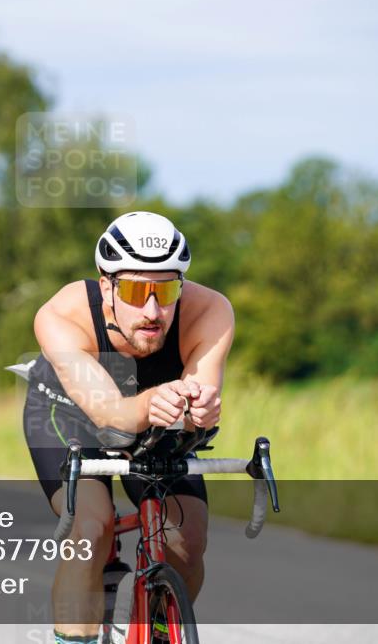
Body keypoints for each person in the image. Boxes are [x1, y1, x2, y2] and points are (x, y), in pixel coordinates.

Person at [22, 211, 235, 644]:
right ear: (107, 285)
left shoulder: (210, 310)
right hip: (71, 414)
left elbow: (198, 399)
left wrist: (201, 411)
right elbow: (110, 415)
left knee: (187, 540)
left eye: (168, 289)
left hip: (156, 414)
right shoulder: (61, 314)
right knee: (92, 527)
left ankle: (156, 628)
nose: (153, 310)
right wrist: (160, 402)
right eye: (137, 291)